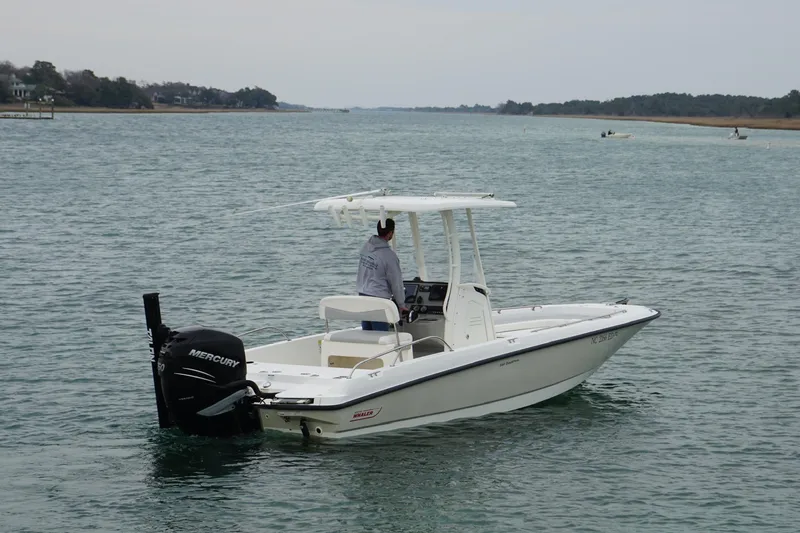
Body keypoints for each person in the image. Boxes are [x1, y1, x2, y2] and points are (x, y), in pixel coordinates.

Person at [356, 218, 408, 331]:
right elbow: (396, 283)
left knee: (367, 333)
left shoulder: (366, 248)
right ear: (390, 233)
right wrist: (401, 304)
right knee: (380, 333)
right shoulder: (389, 256)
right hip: (378, 300)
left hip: (363, 297)